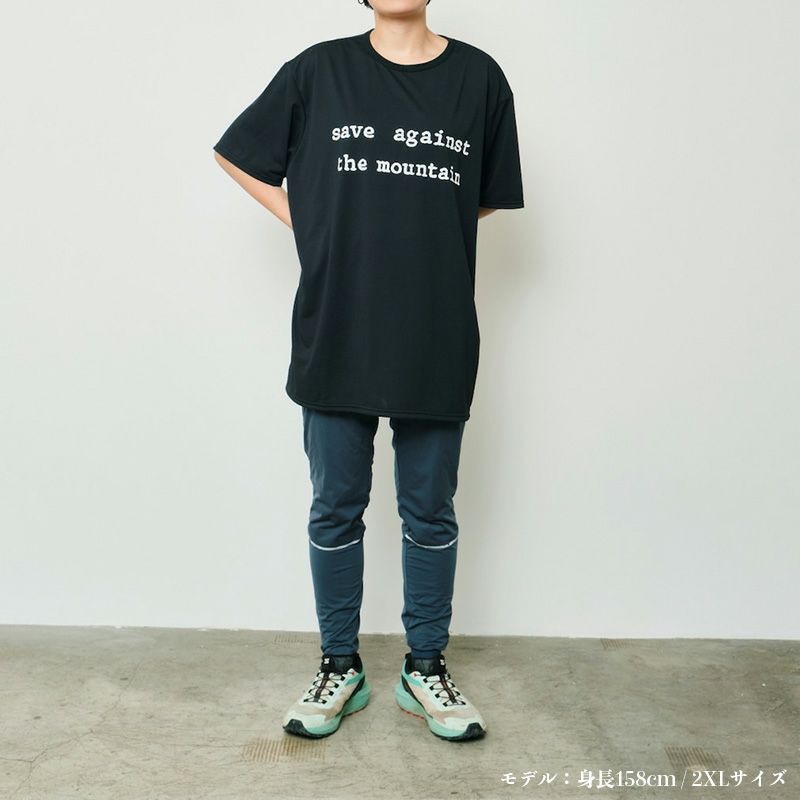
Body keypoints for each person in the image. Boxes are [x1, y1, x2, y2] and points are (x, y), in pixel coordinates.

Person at [212, 0, 524, 742]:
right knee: (335, 505)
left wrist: (415, 230)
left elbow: (479, 199)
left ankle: (426, 668)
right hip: (338, 322)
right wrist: (316, 222)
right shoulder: (319, 71)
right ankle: (338, 665)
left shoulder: (479, 79)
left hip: (434, 329)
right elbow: (236, 153)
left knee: (430, 509)